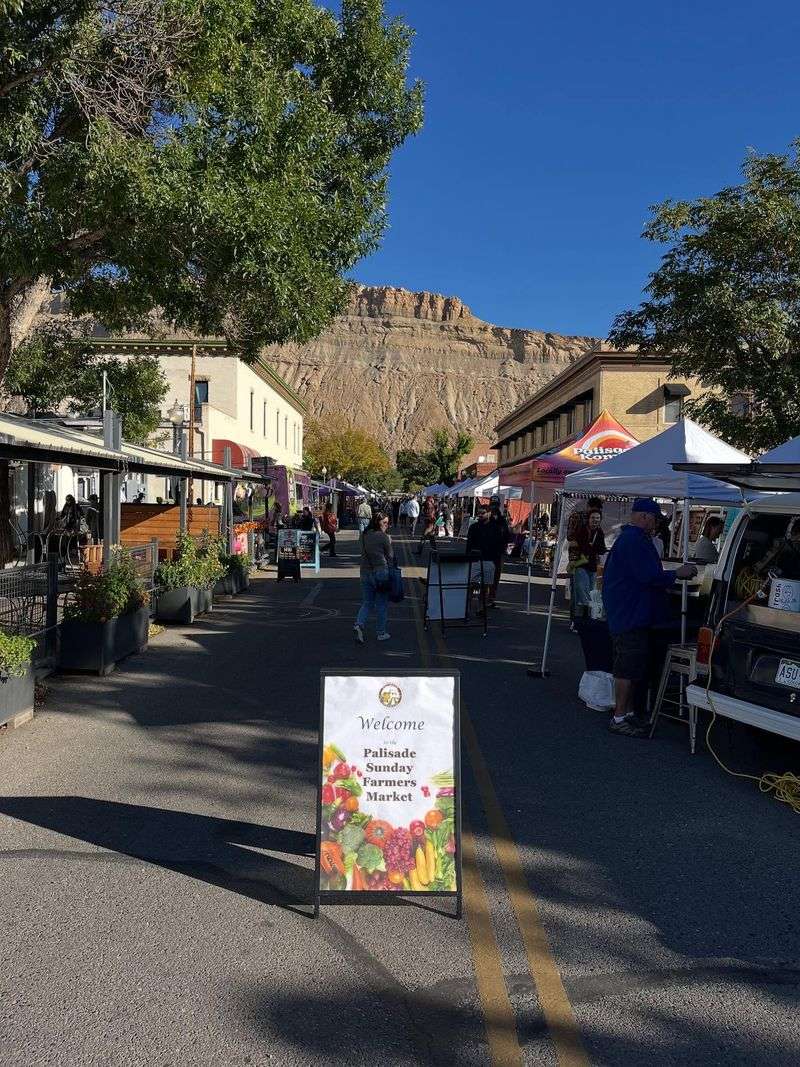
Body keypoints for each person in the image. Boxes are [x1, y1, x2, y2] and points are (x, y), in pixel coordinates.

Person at [602, 498, 697, 738]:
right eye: (655, 519)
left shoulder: (633, 539)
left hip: (631, 612)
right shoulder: (634, 541)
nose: (656, 524)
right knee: (627, 667)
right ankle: (619, 716)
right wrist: (677, 573)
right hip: (630, 614)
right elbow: (648, 576)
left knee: (633, 667)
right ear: (644, 516)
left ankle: (628, 713)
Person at [354, 511, 394, 643]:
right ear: (378, 523)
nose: (387, 525)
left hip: (365, 571)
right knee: (381, 604)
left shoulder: (364, 535)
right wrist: (389, 542)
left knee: (367, 602)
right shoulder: (383, 537)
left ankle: (359, 624)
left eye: (388, 523)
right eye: (385, 523)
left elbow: (361, 551)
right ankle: (381, 632)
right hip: (381, 572)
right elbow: (390, 556)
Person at [466, 504, 507, 606]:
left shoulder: (496, 527)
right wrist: (467, 558)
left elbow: (500, 544)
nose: (480, 515)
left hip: (489, 561)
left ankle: (481, 608)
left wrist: (496, 560)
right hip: (476, 560)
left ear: (489, 513)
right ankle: (466, 607)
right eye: (478, 513)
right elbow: (469, 545)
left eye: (482, 513)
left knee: (485, 587)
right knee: (471, 585)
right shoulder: (473, 527)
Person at [571, 507, 606, 612]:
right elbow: (583, 547)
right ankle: (580, 615)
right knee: (582, 590)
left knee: (591, 591)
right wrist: (592, 547)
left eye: (598, 518)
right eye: (593, 517)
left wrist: (592, 547)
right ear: (589, 519)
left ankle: (587, 614)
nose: (595, 520)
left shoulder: (599, 532)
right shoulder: (582, 530)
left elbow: (601, 549)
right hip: (581, 564)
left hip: (592, 566)